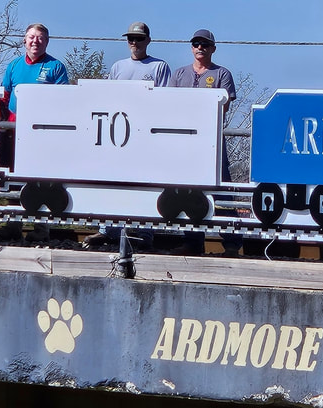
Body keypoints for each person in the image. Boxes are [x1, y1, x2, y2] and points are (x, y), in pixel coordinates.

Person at [89, 21, 171, 250]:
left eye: (139, 38)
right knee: (112, 182)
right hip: (118, 137)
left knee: (147, 184)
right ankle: (107, 230)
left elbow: (163, 101)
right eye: (131, 39)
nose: (134, 43)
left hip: (146, 136)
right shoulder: (117, 67)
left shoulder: (159, 67)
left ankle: (145, 232)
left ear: (148, 40)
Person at [0, 23, 70, 242]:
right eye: (31, 37)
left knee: (40, 181)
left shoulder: (56, 67)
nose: (35, 41)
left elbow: (64, 100)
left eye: (40, 38)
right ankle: (13, 226)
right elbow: (4, 98)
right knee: (14, 180)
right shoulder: (14, 65)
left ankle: (41, 228)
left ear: (47, 41)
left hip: (42, 134)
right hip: (14, 133)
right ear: (24, 40)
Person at [169, 29, 241, 257]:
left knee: (222, 190)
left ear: (213, 48)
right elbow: (170, 105)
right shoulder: (179, 74)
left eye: (205, 44)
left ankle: (231, 242)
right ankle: (192, 241)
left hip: (212, 141)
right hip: (186, 141)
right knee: (189, 192)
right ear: (191, 47)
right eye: (196, 43)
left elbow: (225, 106)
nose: (200, 47)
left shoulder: (222, 74)